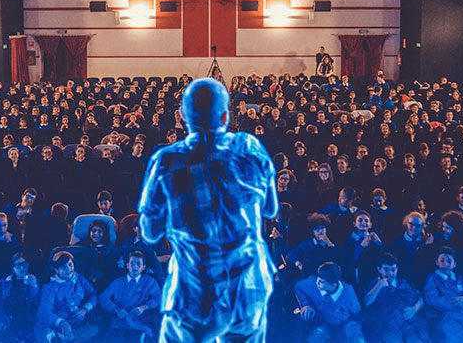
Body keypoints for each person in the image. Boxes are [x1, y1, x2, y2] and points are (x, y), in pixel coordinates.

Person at [139, 78, 278, 342]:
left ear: (182, 116)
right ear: (226, 116)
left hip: (193, 292)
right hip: (247, 287)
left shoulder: (167, 160)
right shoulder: (251, 148)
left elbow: (150, 232)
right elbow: (270, 209)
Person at [34, 251, 99, 342]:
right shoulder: (50, 288)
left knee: (94, 329)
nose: (69, 269)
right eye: (64, 267)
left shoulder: (79, 278)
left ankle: (64, 338)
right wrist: (61, 322)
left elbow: (93, 295)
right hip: (60, 323)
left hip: (78, 321)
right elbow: (43, 312)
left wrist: (85, 309)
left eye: (70, 264)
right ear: (56, 270)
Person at [363, 253, 428, 343]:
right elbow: (367, 301)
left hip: (407, 323)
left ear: (397, 270)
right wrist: (379, 285)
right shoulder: (374, 283)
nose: (390, 273)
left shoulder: (402, 283)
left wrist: (414, 309)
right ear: (379, 269)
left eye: (393, 270)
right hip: (387, 326)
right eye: (386, 270)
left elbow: (420, 298)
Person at [99, 250, 162, 341]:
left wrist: (144, 307)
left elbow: (160, 297)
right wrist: (116, 309)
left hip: (141, 324)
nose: (135, 266)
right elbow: (103, 298)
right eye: (132, 263)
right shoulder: (118, 282)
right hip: (120, 324)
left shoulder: (149, 281)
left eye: (138, 264)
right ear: (127, 265)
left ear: (143, 267)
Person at [294, 262, 365, 342]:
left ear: (333, 284)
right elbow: (298, 287)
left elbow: (357, 314)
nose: (317, 282)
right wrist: (306, 304)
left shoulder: (348, 292)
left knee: (357, 338)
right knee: (315, 338)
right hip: (323, 322)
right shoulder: (312, 284)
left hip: (345, 322)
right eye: (318, 278)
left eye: (322, 282)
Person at [0, 253, 40, 341]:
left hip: (25, 319)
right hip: (6, 319)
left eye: (24, 264)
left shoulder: (32, 281)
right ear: (13, 268)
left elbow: (37, 302)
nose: (22, 268)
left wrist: (35, 287)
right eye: (18, 265)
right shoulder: (5, 282)